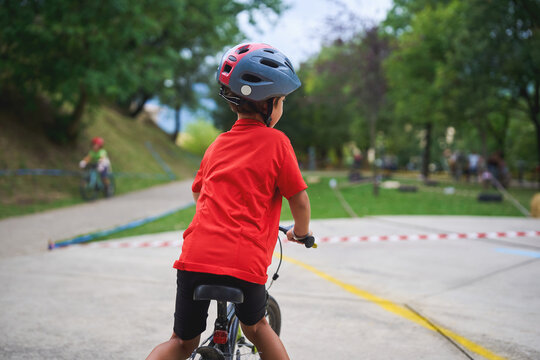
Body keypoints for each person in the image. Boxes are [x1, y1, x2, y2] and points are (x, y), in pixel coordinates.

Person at [146, 43, 312, 360]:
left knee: (181, 342)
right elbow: (299, 201)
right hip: (243, 264)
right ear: (270, 104)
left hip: (195, 258)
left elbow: (198, 193)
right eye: (282, 102)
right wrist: (301, 233)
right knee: (259, 329)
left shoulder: (217, 144)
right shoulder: (278, 143)